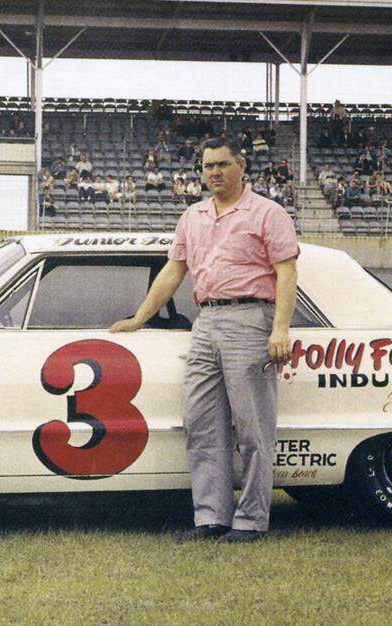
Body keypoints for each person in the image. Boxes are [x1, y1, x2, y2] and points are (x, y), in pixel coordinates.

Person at [109, 137, 298, 544]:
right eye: (208, 166)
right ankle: (211, 517)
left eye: (223, 164)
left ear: (241, 166)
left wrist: (280, 328)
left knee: (252, 428)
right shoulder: (192, 216)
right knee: (201, 424)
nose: (215, 172)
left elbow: (286, 272)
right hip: (206, 319)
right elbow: (173, 273)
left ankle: (250, 521)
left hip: (251, 317)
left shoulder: (269, 213)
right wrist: (139, 319)